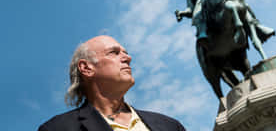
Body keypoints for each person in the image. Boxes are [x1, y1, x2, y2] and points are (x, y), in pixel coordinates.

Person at [38, 35, 186, 131]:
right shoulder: (56, 128)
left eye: (125, 52)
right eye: (114, 53)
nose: (128, 58)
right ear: (86, 68)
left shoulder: (170, 126)